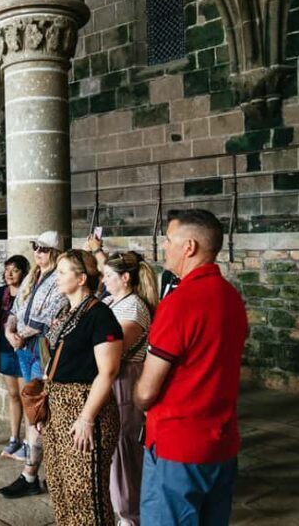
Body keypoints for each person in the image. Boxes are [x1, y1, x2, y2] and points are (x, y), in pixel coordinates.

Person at [135, 209, 248, 525]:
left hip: (178, 445)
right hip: (221, 442)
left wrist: (136, 396)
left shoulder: (180, 302)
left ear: (190, 247)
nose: (164, 247)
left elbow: (146, 390)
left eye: (169, 240)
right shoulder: (231, 297)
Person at [40, 249, 123, 525]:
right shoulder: (67, 311)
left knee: (85, 492)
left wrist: (87, 418)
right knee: (59, 484)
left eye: (62, 272)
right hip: (57, 407)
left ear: (82, 278)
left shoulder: (100, 316)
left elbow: (108, 371)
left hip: (84, 406)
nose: (56, 278)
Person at [0, 230, 67, 498]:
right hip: (24, 350)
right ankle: (40, 472)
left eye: (44, 248)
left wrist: (19, 336)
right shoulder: (33, 276)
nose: (38, 252)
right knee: (33, 412)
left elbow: (49, 316)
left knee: (40, 414)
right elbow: (15, 310)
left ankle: (31, 475)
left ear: (55, 252)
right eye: (35, 247)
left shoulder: (59, 277)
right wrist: (9, 331)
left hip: (40, 351)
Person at [100, 251, 159, 526]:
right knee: (114, 446)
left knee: (124, 447)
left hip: (125, 378)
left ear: (125, 278)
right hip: (112, 378)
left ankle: (130, 516)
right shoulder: (114, 300)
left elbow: (113, 349)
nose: (103, 280)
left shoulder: (134, 308)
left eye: (109, 275)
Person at [0, 254, 31, 459]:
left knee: (26, 397)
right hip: (5, 350)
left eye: (14, 270)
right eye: (7, 270)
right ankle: (14, 437)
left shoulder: (29, 292)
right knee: (13, 395)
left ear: (23, 272)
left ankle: (29, 441)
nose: (9, 274)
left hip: (23, 349)